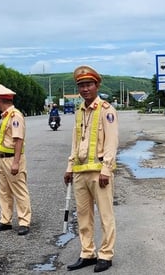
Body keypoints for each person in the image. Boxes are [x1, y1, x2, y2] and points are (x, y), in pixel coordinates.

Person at [64, 65, 119, 273]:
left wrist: (106, 169)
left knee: (106, 215)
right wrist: (70, 167)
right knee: (83, 216)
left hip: (99, 174)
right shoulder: (79, 111)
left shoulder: (106, 110)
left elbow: (112, 142)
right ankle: (87, 253)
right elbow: (75, 143)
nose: (85, 89)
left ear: (97, 85)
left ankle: (106, 254)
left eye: (88, 84)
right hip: (80, 173)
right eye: (81, 85)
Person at [0, 83, 32, 236]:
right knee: (4, 191)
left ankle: (24, 221)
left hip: (13, 159)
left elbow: (18, 139)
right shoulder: (7, 116)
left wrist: (15, 162)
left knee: (19, 190)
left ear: (0, 100)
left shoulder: (15, 116)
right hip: (2, 159)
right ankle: (5, 220)